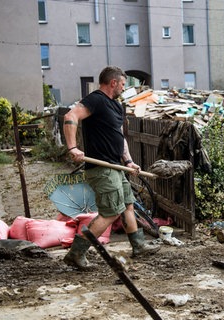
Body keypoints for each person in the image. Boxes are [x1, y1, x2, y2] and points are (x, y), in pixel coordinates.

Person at [63, 66, 160, 269]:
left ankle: (139, 246)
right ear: (113, 82)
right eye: (123, 84)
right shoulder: (96, 100)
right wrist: (73, 147)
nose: (124, 88)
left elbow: (119, 137)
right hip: (102, 168)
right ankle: (76, 253)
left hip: (116, 166)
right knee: (110, 212)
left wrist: (128, 161)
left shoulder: (115, 106)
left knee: (127, 205)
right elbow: (70, 117)